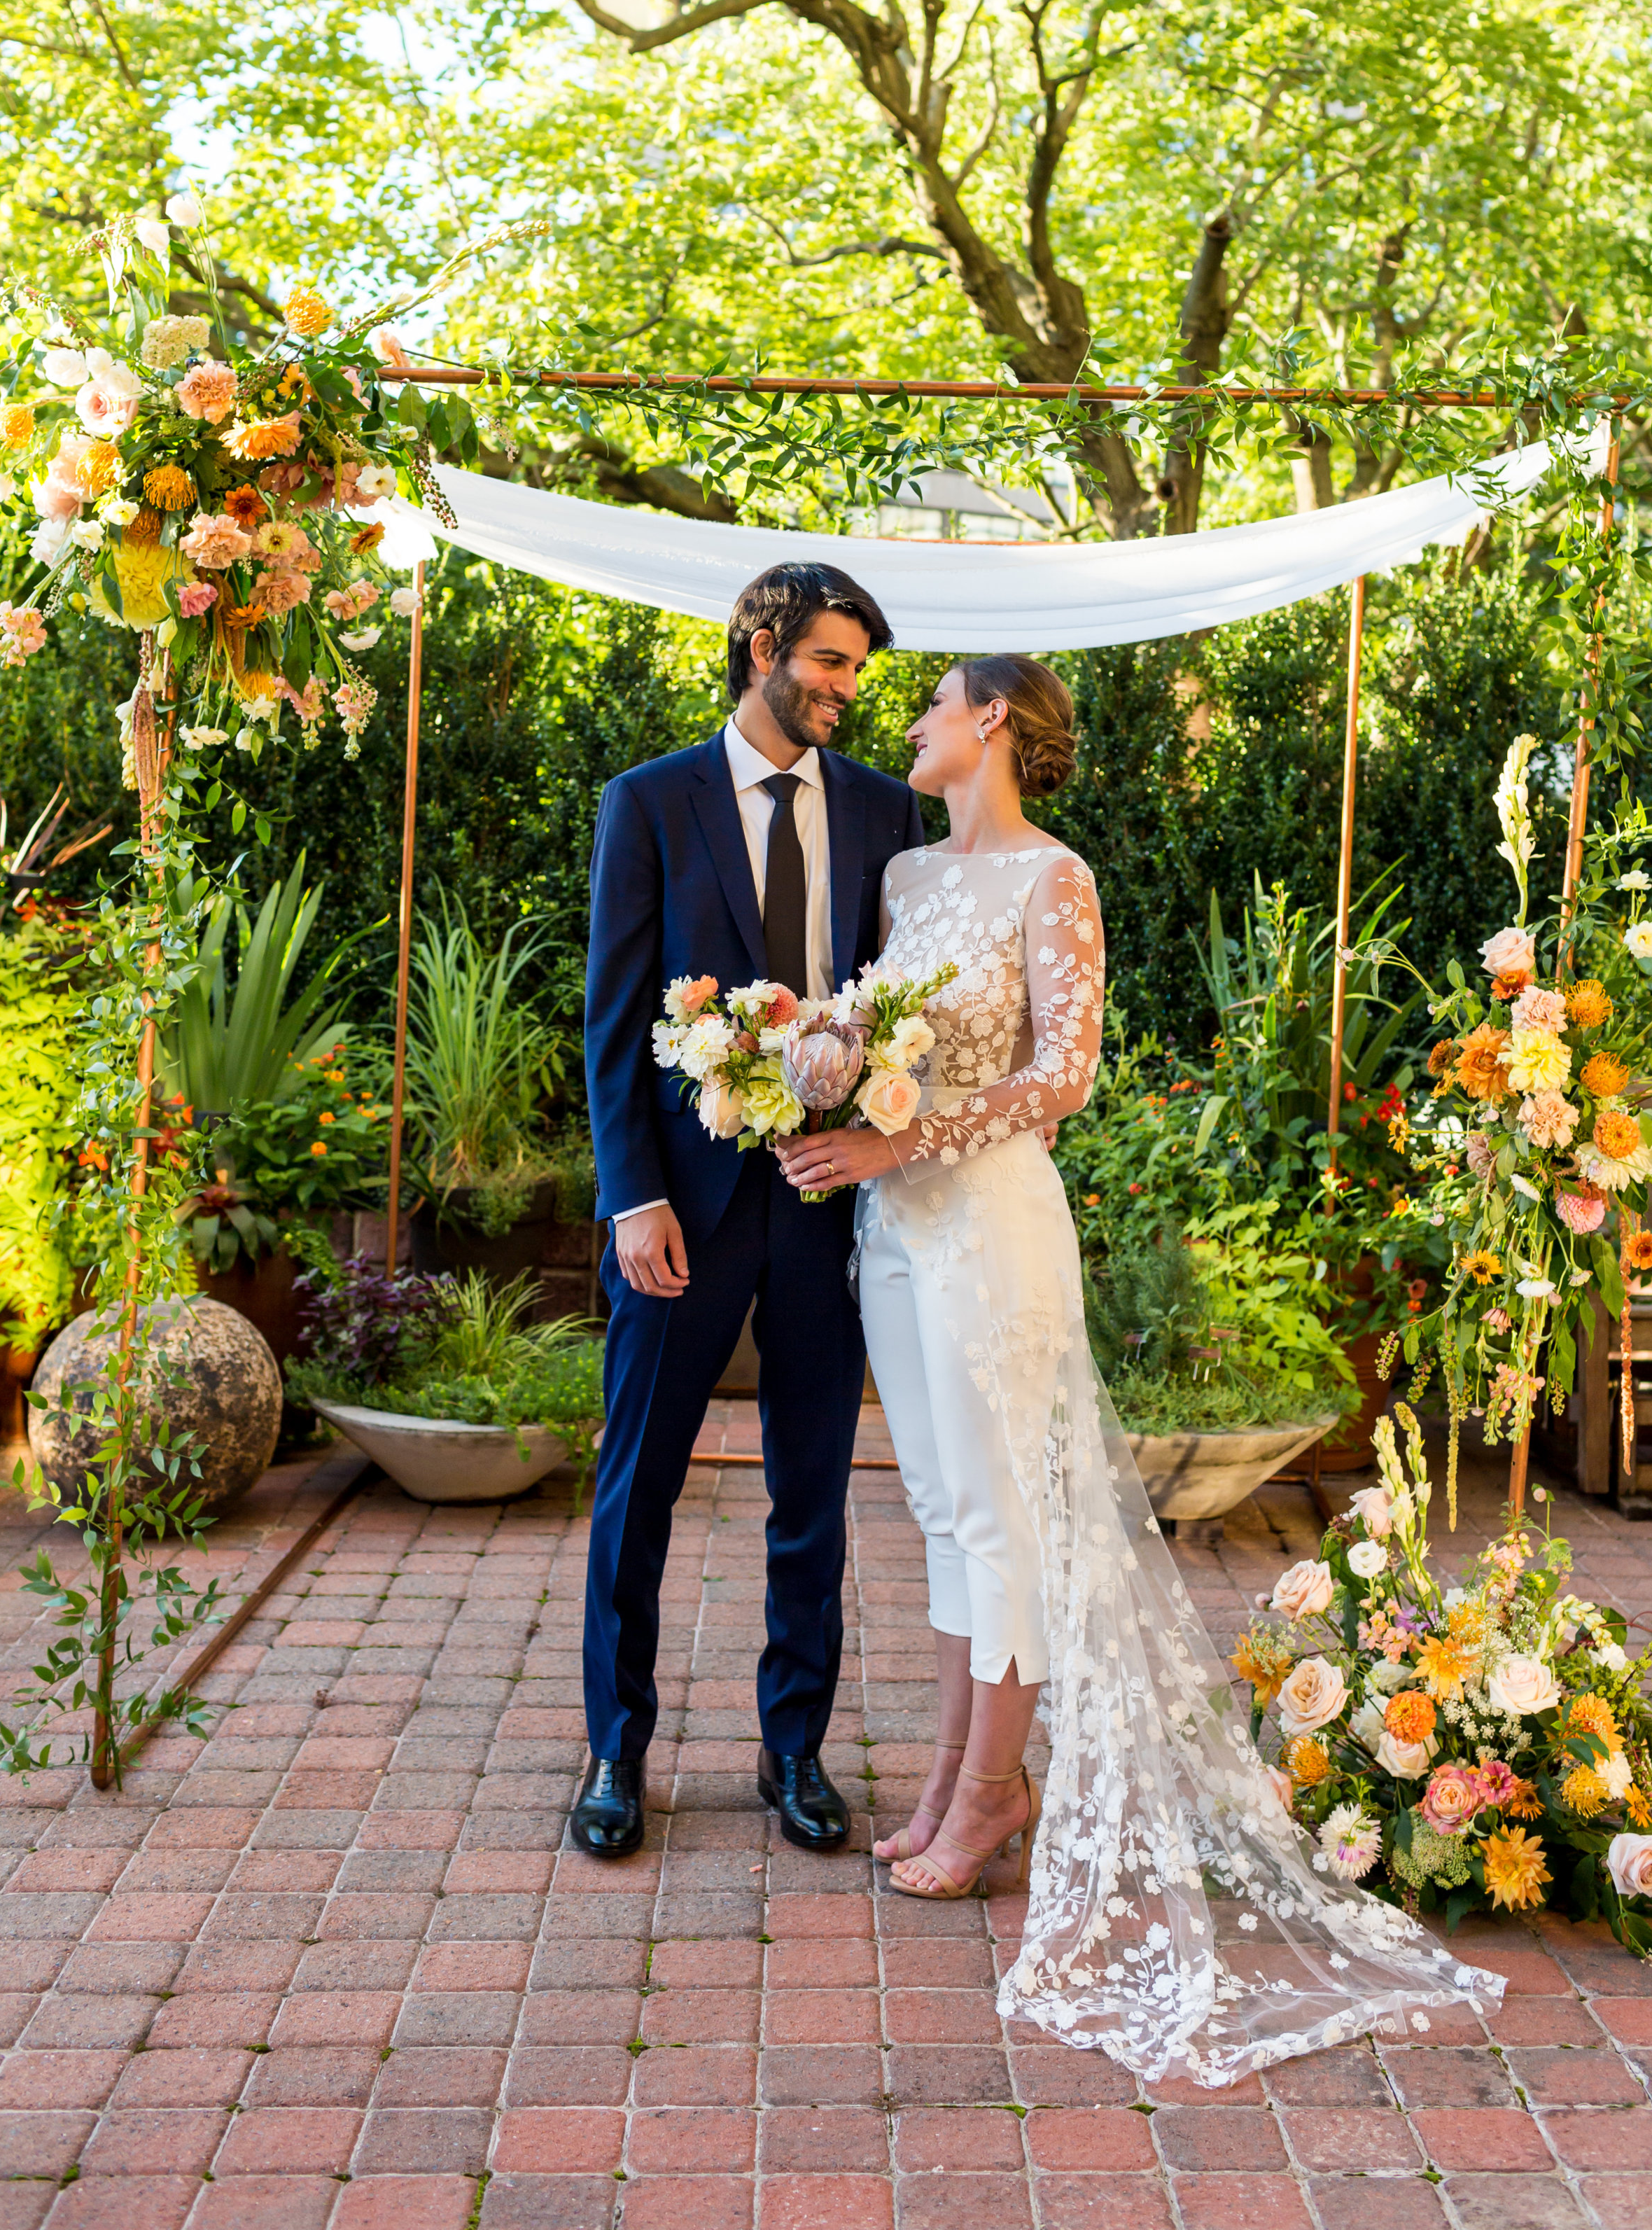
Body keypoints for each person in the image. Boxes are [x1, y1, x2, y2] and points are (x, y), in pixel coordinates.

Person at [778, 655, 1503, 2088]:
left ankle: (991, 1788)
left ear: (988, 718)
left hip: (987, 1218)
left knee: (1002, 1512)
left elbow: (1068, 1072)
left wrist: (890, 1134)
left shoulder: (1055, 876)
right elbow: (869, 1042)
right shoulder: (908, 883)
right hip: (891, 1226)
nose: (908, 725)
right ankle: (951, 1774)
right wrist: (821, 1061)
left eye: (928, 702)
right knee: (936, 1506)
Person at [574, 562, 923, 1860]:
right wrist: (633, 1200)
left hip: (830, 1201)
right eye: (831, 662)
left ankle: (796, 1750)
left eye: (859, 672)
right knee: (639, 1480)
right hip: (688, 1202)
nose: (845, 689)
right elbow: (616, 1021)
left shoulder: (890, 814)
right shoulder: (651, 802)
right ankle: (616, 1748)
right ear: (764, 646)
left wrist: (881, 1133)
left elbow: (914, 1005)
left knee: (813, 1487)